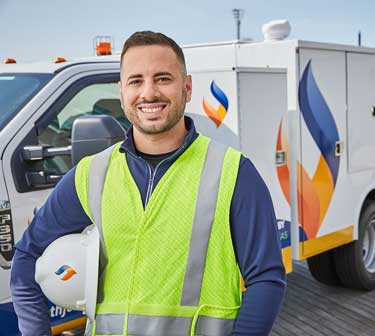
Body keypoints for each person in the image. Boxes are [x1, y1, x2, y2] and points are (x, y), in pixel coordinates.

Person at [11, 31, 286, 336]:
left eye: (163, 78)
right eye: (136, 81)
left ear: (187, 87)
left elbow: (266, 279)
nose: (149, 93)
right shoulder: (92, 174)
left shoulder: (234, 173)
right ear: (122, 92)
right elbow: (26, 257)